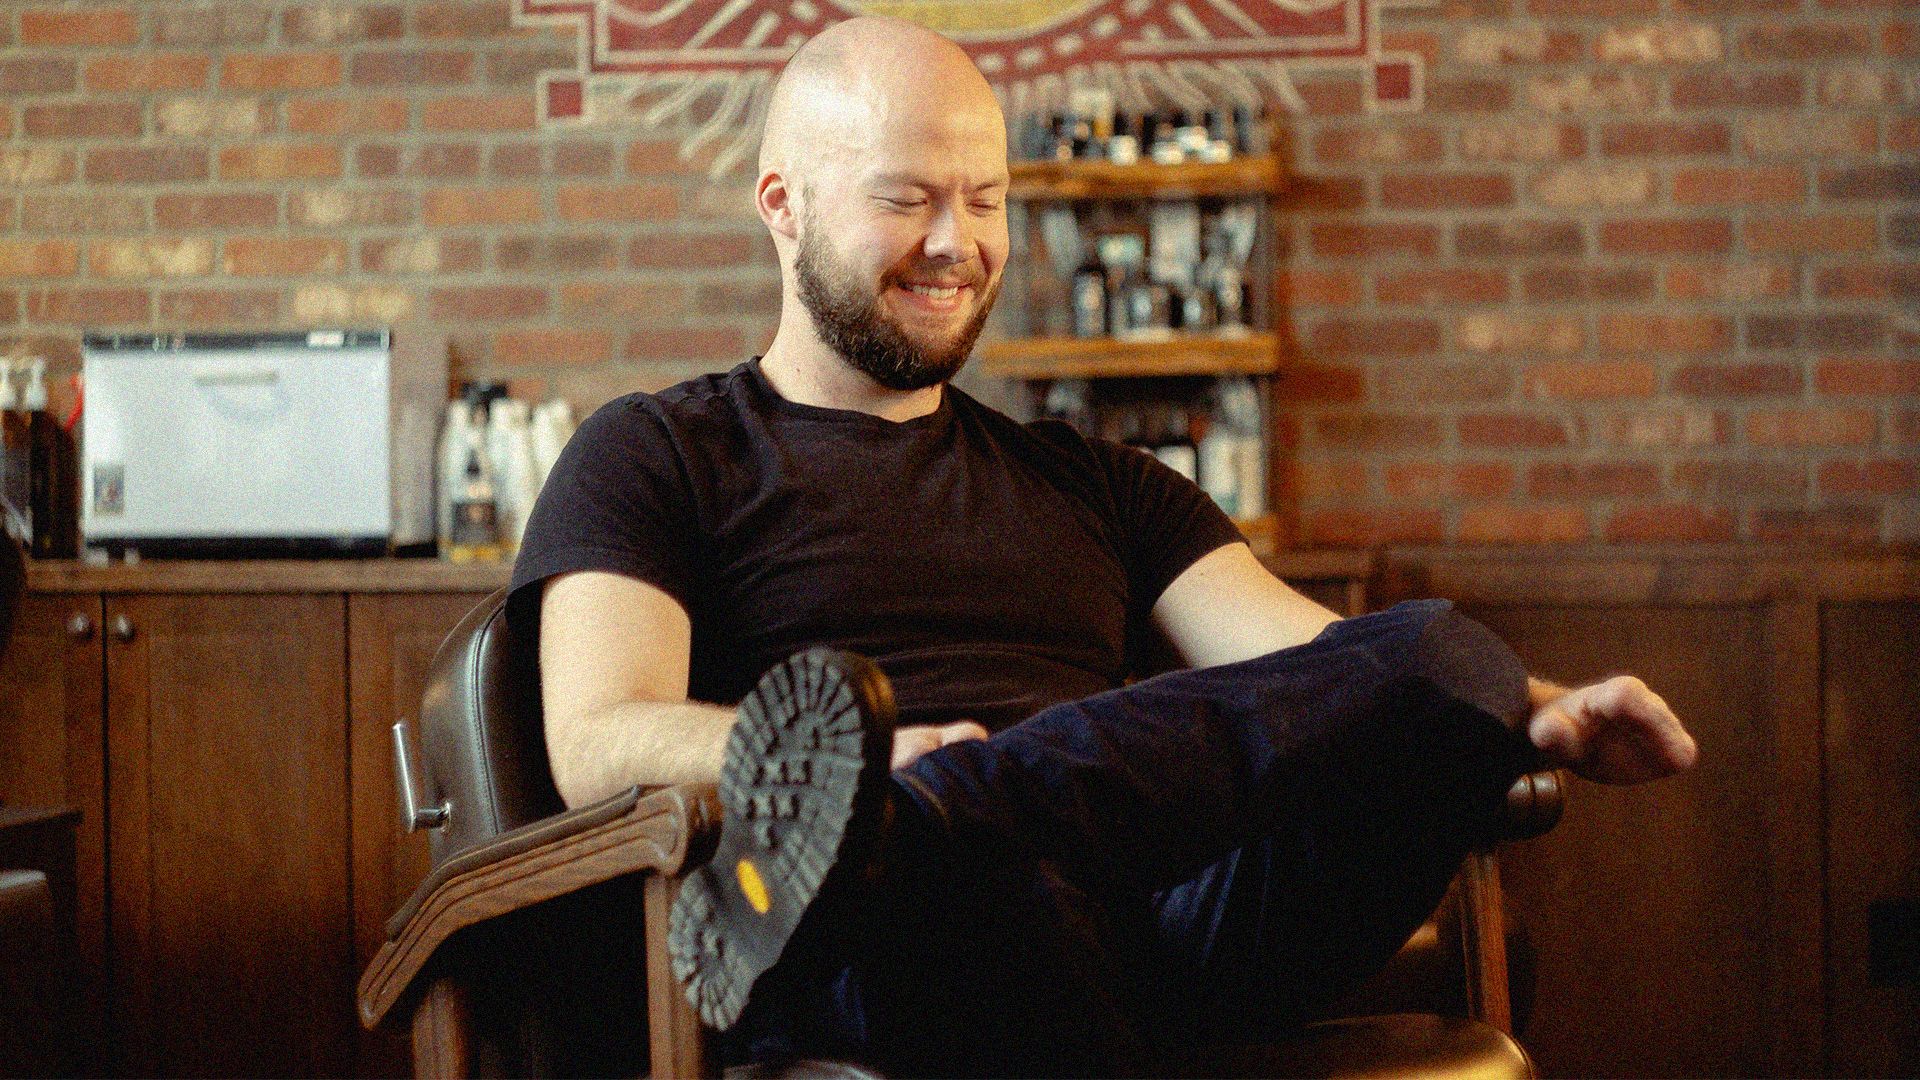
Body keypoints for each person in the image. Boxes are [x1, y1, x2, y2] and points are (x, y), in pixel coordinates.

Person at [509, 16, 1698, 1076]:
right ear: (783, 203)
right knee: (962, 875)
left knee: (1445, 660)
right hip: (884, 936)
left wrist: (1532, 704)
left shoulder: (1090, 480)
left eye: (985, 198)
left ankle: (951, 806)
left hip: (1157, 930)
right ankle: (919, 821)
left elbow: (1318, 670)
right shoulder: (658, 452)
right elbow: (598, 738)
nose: (955, 241)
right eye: (905, 196)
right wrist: (850, 768)